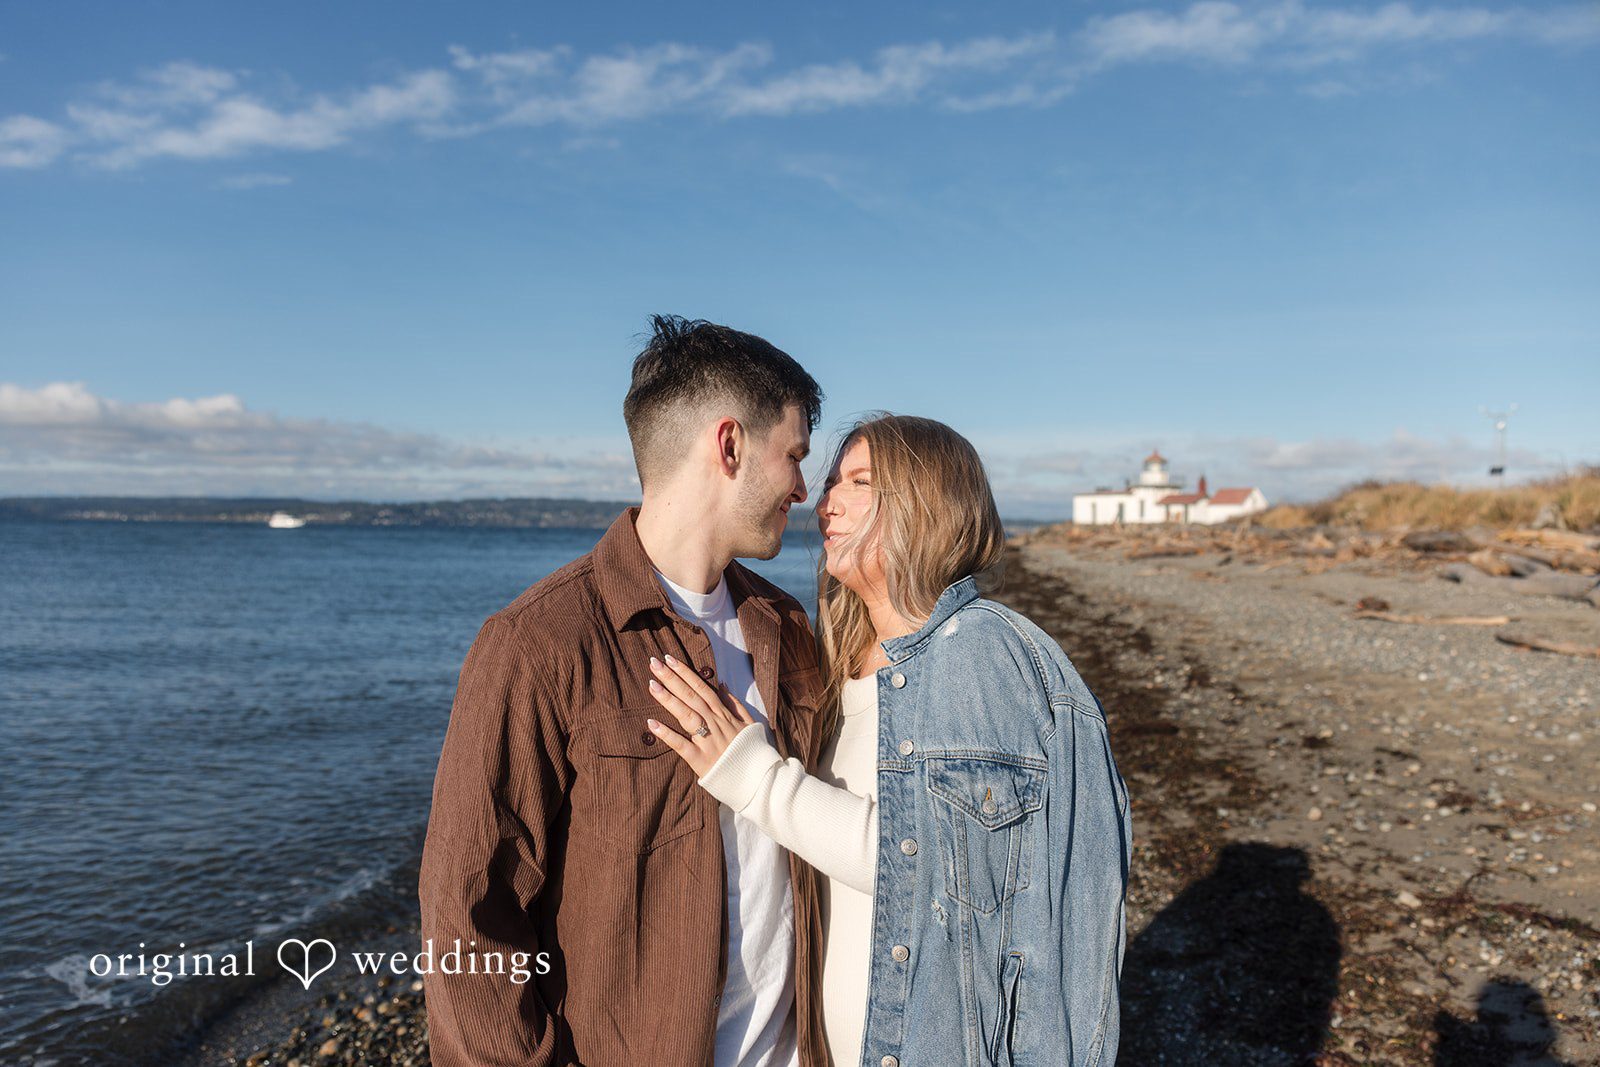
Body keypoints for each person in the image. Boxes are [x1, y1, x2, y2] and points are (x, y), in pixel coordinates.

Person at [645, 414, 1132, 1067]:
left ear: (929, 503)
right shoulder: (842, 668)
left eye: (860, 482)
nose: (826, 504)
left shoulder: (980, 651)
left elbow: (931, 867)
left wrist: (752, 774)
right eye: (830, 484)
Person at [419, 315, 830, 1066]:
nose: (805, 489)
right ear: (730, 444)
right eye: (795, 455)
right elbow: (467, 920)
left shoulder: (785, 625)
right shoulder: (539, 642)